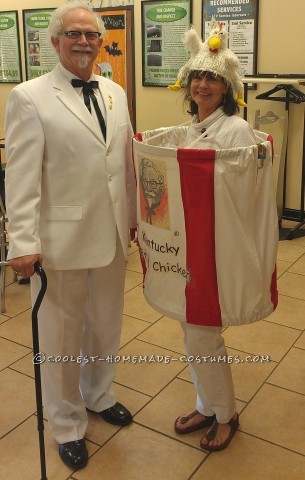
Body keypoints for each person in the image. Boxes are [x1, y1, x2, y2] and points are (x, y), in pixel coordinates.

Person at [4, 0, 136, 470]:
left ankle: (99, 394)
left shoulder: (116, 92)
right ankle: (65, 424)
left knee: (105, 325)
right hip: (58, 241)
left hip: (113, 237)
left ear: (101, 42)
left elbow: (124, 162)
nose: (84, 41)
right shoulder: (28, 96)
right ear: (55, 41)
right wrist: (22, 241)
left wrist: (135, 217)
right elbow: (19, 176)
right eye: (73, 33)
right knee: (60, 337)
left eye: (91, 34)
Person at [169, 24, 258, 451]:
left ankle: (225, 414)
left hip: (218, 248)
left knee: (204, 333)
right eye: (197, 77)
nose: (202, 85)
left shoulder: (235, 132)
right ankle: (206, 403)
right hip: (193, 246)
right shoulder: (192, 129)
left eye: (213, 79)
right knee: (192, 330)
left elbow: (240, 197)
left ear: (228, 88)